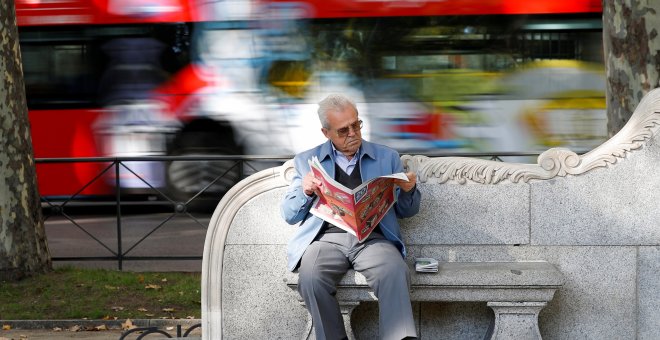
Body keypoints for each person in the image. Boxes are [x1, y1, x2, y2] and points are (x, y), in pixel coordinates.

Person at [280, 94, 421, 340]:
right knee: (311, 278)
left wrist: (409, 191)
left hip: (373, 238)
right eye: (343, 130)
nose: (353, 133)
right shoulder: (306, 161)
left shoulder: (387, 157)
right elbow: (289, 215)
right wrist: (305, 190)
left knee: (395, 271)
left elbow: (407, 212)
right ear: (326, 133)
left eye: (356, 125)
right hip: (326, 240)